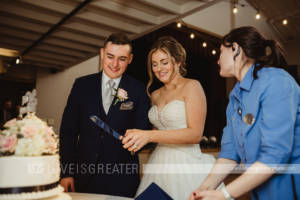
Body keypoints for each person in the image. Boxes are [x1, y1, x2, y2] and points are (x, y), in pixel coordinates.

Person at [190, 26, 300, 200]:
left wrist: (224, 194)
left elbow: (274, 155)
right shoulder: (235, 96)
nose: (217, 60)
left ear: (236, 49)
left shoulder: (277, 82)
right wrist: (202, 190)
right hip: (261, 191)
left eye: (220, 52)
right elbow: (229, 154)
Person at [122, 36, 222, 199]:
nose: (159, 68)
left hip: (186, 163)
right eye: (154, 64)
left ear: (178, 62)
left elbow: (195, 134)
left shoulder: (192, 86)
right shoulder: (154, 95)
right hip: (159, 162)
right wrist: (136, 138)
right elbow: (157, 131)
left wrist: (149, 135)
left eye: (164, 62)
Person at [59, 33, 151, 198]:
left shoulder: (138, 90)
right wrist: (66, 173)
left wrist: (137, 141)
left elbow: (143, 131)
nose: (115, 64)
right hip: (83, 176)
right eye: (110, 56)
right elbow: (68, 132)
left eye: (122, 59)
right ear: (102, 53)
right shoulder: (81, 85)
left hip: (123, 178)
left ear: (130, 59)